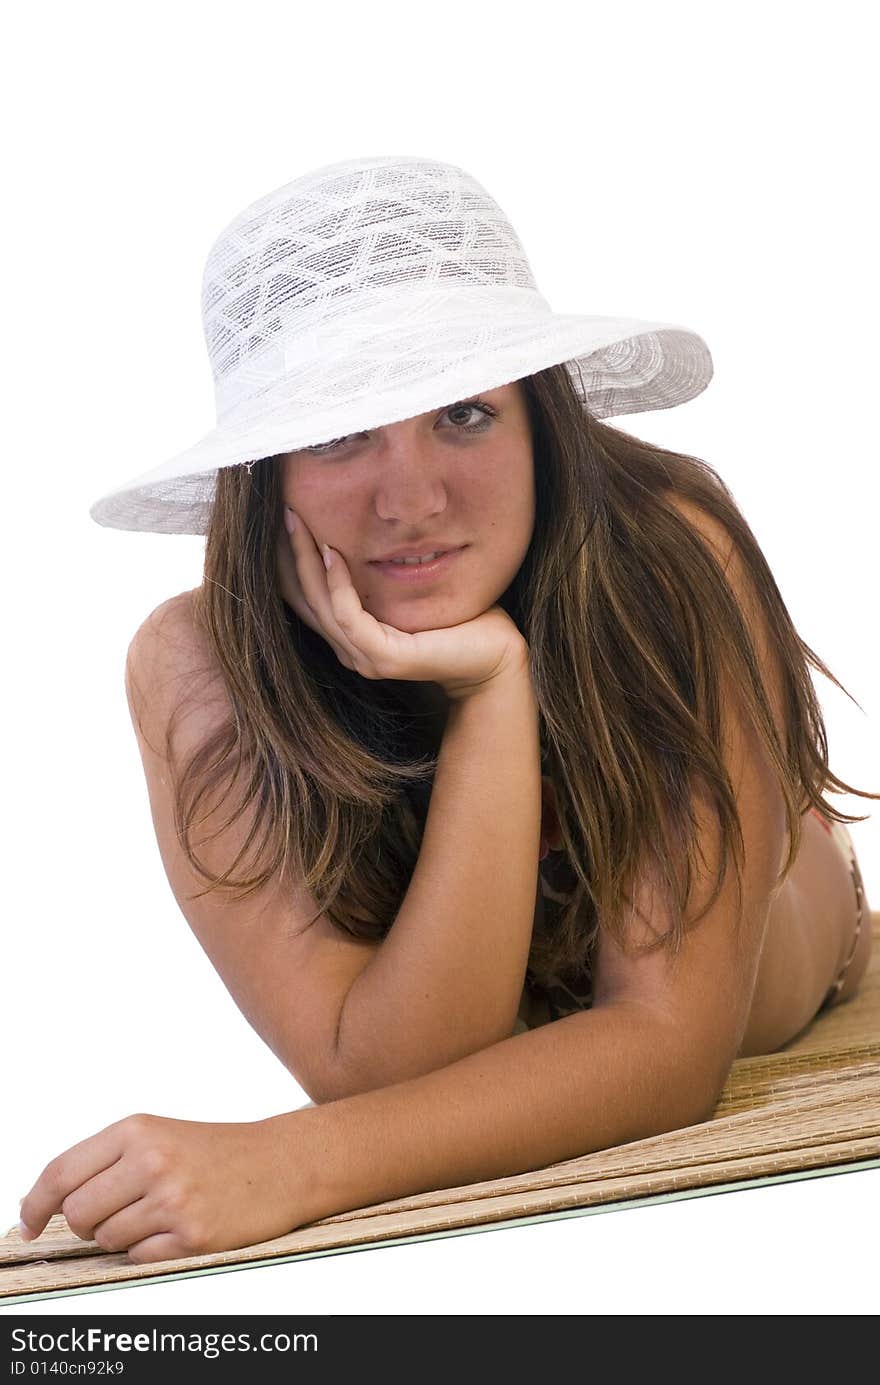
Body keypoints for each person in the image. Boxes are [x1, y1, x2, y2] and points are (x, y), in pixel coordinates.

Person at [19, 155, 875, 1265]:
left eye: (464, 412)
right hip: (487, 1022)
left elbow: (670, 1048)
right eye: (338, 432)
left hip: (804, 952)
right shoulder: (196, 666)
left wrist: (287, 1156)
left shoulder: (670, 551)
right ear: (262, 472)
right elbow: (401, 1081)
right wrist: (489, 699)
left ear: (541, 423)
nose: (411, 498)